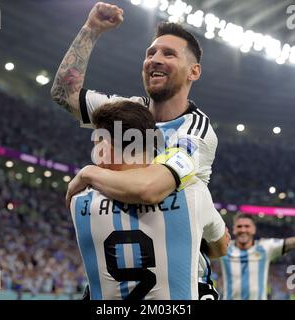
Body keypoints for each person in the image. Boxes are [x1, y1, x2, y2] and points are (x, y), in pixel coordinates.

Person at [51, 2, 220, 297]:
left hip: (178, 281)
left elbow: (150, 189)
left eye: (169, 53)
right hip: (118, 272)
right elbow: (63, 94)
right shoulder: (125, 111)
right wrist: (91, 30)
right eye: (150, 53)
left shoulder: (195, 132)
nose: (155, 59)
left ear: (194, 71)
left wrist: (90, 173)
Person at [70, 100, 228, 300]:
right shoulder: (193, 193)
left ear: (105, 149)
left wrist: (87, 173)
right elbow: (221, 247)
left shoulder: (79, 202)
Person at [219, 213, 295, 300]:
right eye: (239, 226)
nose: (243, 230)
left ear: (254, 229)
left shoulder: (265, 248)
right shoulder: (224, 248)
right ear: (233, 230)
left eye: (247, 226)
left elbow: (290, 243)